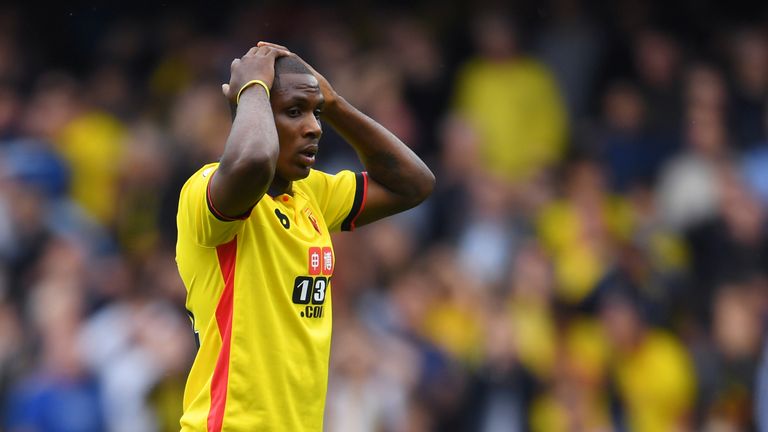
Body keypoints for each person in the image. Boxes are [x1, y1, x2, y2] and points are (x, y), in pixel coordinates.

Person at [175, 41, 434, 431]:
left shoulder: (312, 194)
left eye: (315, 114)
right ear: (252, 110)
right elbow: (254, 159)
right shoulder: (206, 191)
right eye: (294, 112)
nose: (314, 127)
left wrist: (336, 104)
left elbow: (413, 184)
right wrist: (252, 89)